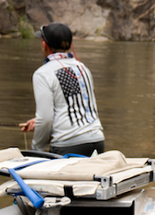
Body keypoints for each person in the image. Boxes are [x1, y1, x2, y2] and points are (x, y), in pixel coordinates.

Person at [22, 22, 104, 155]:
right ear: (71, 45)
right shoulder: (83, 68)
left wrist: (36, 151)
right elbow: (76, 107)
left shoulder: (43, 74)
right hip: (97, 141)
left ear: (44, 45)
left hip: (68, 145)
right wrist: (40, 122)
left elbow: (45, 119)